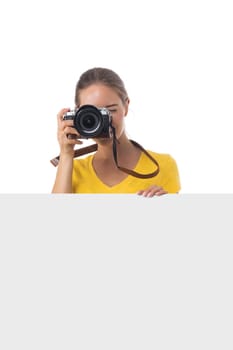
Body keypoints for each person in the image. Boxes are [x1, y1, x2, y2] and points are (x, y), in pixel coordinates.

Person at [51, 67, 181, 197]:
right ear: (78, 114)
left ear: (126, 106)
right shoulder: (72, 170)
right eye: (93, 115)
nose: (103, 122)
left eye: (110, 111)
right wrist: (66, 153)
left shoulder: (162, 166)